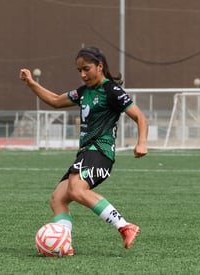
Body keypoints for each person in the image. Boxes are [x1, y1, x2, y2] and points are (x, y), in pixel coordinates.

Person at [19, 46, 148, 255]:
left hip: (101, 151)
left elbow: (140, 117)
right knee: (57, 199)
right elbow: (54, 100)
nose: (82, 74)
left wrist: (141, 142)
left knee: (77, 190)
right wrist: (32, 83)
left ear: (100, 66)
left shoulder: (111, 91)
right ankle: (64, 244)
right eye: (79, 70)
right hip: (86, 153)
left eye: (86, 69)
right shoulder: (82, 92)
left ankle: (125, 226)